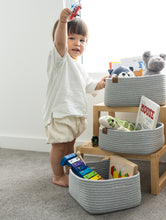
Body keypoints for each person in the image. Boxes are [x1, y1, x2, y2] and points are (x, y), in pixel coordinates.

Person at [43, 8, 108, 187]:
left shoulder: (79, 66)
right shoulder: (60, 59)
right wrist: (63, 22)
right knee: (59, 145)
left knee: (70, 144)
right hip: (60, 113)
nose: (77, 43)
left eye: (82, 40)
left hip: (74, 113)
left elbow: (88, 85)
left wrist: (101, 83)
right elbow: (60, 44)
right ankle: (57, 175)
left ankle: (69, 168)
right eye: (71, 38)